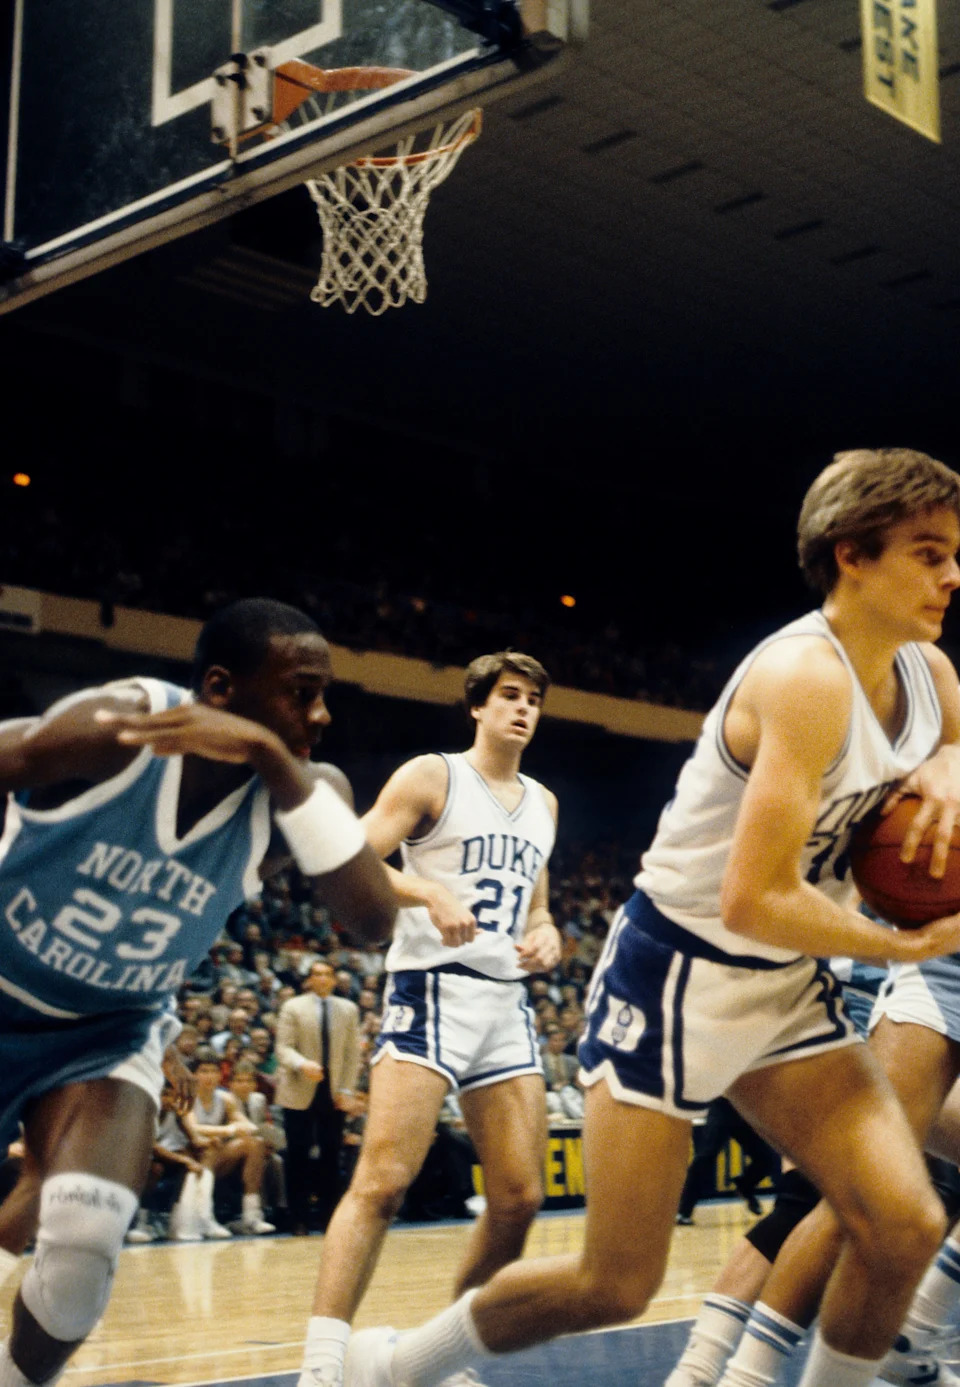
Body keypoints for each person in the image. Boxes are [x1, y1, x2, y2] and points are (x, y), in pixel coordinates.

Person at [341, 448, 960, 1387]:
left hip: (786, 986)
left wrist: (954, 764)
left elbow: (948, 761)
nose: (953, 574)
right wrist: (901, 944)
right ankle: (391, 1366)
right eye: (928, 552)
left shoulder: (934, 681)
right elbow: (752, 896)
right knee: (615, 1281)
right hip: (676, 975)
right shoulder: (802, 677)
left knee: (903, 1219)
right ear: (852, 555)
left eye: (953, 552)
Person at [0, 596, 396, 1387]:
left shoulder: (304, 794)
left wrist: (275, 759)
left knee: (84, 1242)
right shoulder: (120, 728)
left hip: (106, 1029)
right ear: (220, 687)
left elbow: (374, 920)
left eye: (324, 695)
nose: (319, 714)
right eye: (299, 692)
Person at [298, 650, 560, 1387]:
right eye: (509, 695)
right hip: (431, 986)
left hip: (506, 1001)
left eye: (533, 700)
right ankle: (321, 1366)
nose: (523, 708)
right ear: (476, 706)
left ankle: (431, 1359)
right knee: (383, 1181)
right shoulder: (433, 774)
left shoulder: (544, 803)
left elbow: (536, 902)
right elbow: (348, 854)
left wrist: (549, 931)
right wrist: (426, 893)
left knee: (518, 1197)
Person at [276, 960, 361, 1235]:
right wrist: (302, 1064)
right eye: (316, 974)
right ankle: (298, 1218)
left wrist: (347, 1090)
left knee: (331, 1154)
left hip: (333, 1091)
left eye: (327, 974)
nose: (322, 979)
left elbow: (351, 1055)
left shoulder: (348, 1009)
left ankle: (329, 1217)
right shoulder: (293, 1007)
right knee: (298, 1154)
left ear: (334, 979)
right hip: (299, 1086)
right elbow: (283, 1048)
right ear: (309, 980)